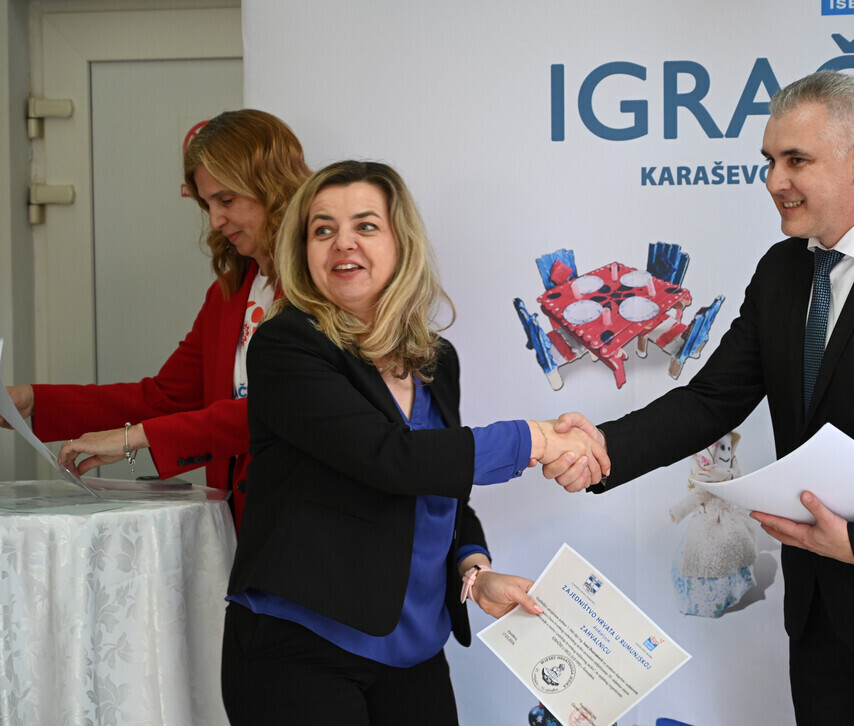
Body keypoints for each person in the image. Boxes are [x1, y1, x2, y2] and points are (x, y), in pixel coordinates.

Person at [546, 71, 854, 725]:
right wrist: (603, 447)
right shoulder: (782, 270)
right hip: (820, 618)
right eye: (769, 160)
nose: (775, 181)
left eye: (796, 160)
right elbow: (713, 399)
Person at [221, 159, 608, 725]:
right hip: (301, 645)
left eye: (365, 226)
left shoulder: (435, 359)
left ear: (401, 242)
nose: (343, 243)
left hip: (415, 651)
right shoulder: (286, 345)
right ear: (303, 252)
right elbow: (389, 459)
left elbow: (440, 487)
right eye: (323, 230)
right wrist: (536, 438)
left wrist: (474, 570)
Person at [0, 109, 311, 529]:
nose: (215, 220)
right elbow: (166, 398)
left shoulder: (322, 288)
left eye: (226, 200)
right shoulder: (229, 293)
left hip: (309, 524)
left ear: (274, 187)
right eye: (207, 204)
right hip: (244, 529)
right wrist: (34, 402)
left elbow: (278, 411)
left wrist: (134, 438)